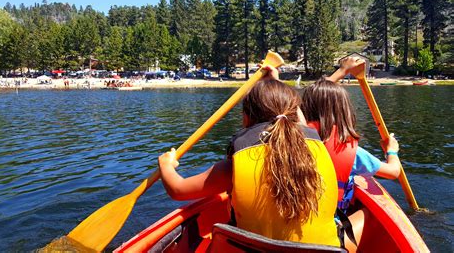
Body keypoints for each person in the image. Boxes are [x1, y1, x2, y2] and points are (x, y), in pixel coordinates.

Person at [158, 68, 340, 247]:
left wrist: (166, 164)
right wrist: (276, 84)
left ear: (245, 118)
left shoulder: (229, 169)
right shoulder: (317, 149)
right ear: (294, 112)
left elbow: (177, 189)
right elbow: (290, 115)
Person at [301, 57, 401, 251]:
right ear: (345, 113)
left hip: (287, 229)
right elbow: (393, 171)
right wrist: (392, 150)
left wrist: (342, 71)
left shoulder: (293, 141)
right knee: (371, 216)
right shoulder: (349, 153)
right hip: (323, 239)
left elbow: (313, 99)